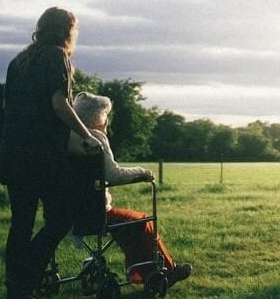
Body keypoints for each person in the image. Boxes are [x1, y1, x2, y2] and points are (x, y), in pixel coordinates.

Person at [0, 7, 102, 299]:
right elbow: (60, 104)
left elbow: (7, 105)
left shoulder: (19, 61)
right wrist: (86, 135)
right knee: (62, 217)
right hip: (41, 156)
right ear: (67, 31)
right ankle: (25, 280)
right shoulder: (57, 57)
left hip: (13, 152)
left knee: (21, 224)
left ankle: (16, 292)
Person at [69, 91, 192, 287]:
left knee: (128, 224)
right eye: (105, 116)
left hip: (70, 212)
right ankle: (167, 270)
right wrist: (143, 172)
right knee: (142, 221)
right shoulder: (96, 138)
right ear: (96, 117)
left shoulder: (68, 138)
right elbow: (114, 175)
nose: (107, 121)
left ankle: (142, 271)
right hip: (95, 212)